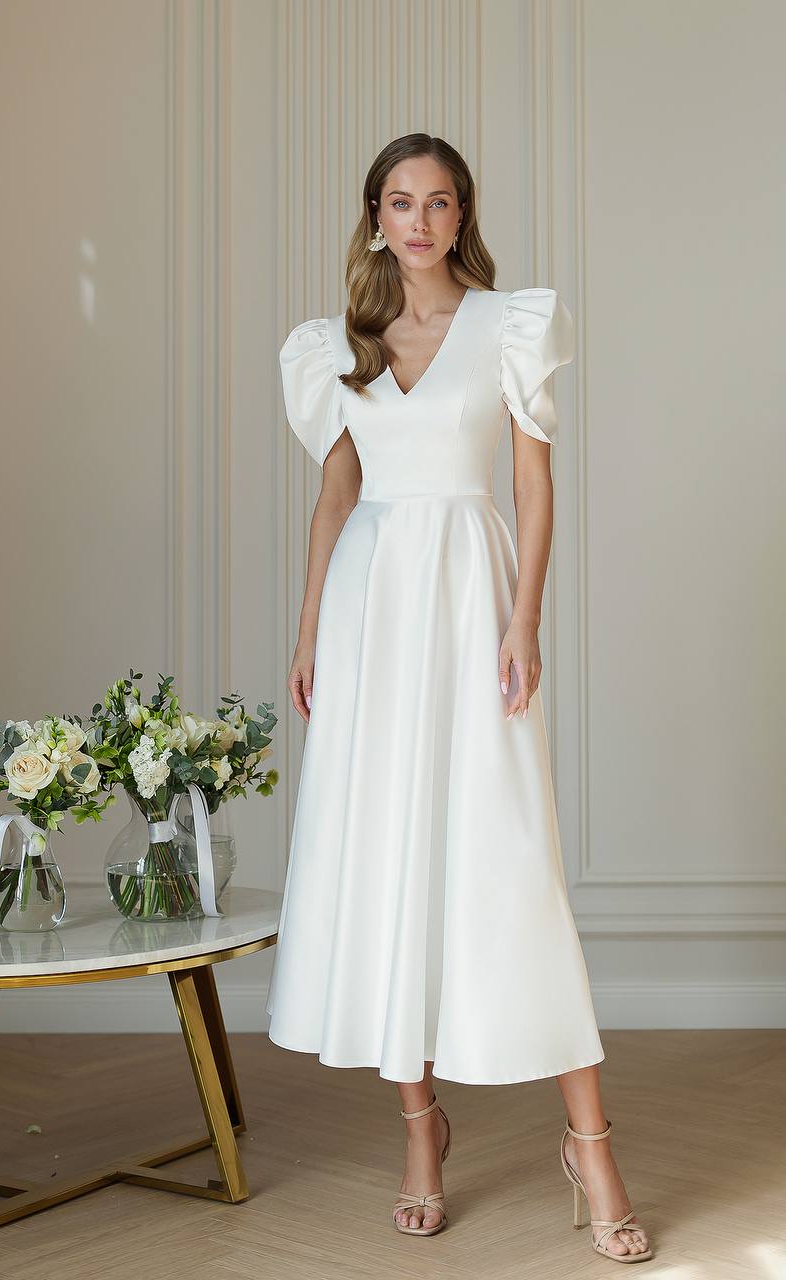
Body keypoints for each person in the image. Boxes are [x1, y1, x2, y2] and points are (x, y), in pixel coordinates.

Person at [264, 133, 652, 1262]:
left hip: (468, 597)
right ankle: (419, 1132)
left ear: (460, 212)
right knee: (395, 860)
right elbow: (335, 501)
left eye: (439, 202)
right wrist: (306, 638)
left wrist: (522, 620)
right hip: (369, 613)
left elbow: (533, 488)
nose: (419, 219)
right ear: (374, 216)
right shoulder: (336, 345)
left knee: (506, 858)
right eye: (399, 201)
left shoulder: (508, 326)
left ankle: (591, 1145)